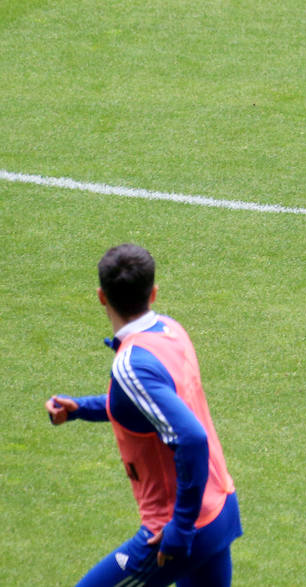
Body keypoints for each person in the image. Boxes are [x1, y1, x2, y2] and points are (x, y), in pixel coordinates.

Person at [44, 244, 242, 586]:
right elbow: (156, 407)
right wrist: (83, 408)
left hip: (175, 533)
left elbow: (192, 437)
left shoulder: (130, 364)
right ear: (153, 293)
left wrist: (180, 528)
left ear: (101, 297)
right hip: (219, 506)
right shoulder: (170, 330)